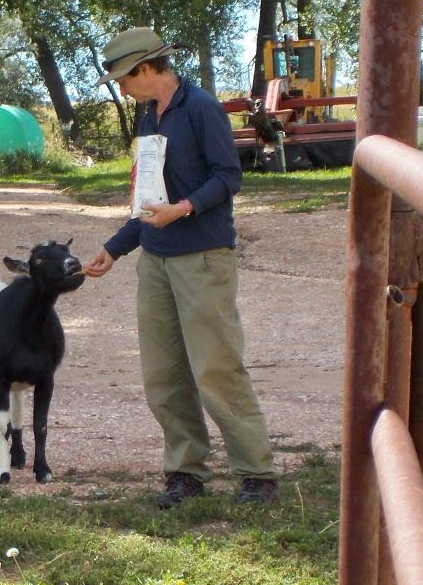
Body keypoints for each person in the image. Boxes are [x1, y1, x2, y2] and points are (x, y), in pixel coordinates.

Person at [83, 27, 279, 508]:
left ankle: (257, 473)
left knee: (216, 369)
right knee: (164, 374)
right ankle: (185, 471)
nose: (122, 88)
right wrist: (116, 247)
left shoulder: (202, 108)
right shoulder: (148, 117)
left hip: (203, 258)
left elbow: (229, 177)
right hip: (156, 260)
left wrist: (185, 208)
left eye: (124, 79)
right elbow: (149, 197)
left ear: (148, 68)